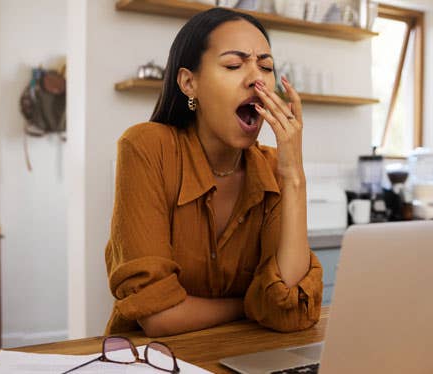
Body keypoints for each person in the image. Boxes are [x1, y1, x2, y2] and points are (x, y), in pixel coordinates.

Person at [104, 8, 322, 337]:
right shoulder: (146, 147)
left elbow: (288, 312)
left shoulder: (275, 169)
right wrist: (251, 304)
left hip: (248, 360)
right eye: (234, 65)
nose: (257, 78)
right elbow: (158, 315)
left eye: (266, 66)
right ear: (189, 83)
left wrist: (293, 177)